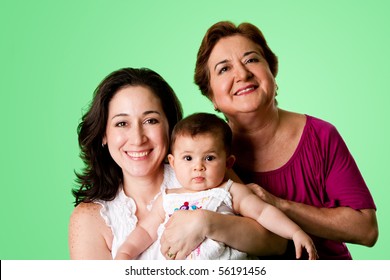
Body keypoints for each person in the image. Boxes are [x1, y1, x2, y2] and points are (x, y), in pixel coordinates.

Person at [176, 20, 377, 259]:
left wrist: (279, 204)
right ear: (212, 97)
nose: (242, 74)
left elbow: (366, 230)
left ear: (272, 72)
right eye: (224, 69)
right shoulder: (197, 157)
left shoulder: (322, 136)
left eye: (251, 59)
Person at [68, 67, 287, 260]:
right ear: (103, 134)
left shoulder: (203, 170)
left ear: (170, 128)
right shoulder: (89, 219)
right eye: (121, 123)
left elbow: (278, 243)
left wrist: (206, 223)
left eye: (150, 120)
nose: (137, 138)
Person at [115, 112, 318, 260]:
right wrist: (124, 254)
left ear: (228, 163)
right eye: (188, 158)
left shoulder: (231, 191)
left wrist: (294, 232)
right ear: (173, 162)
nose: (198, 167)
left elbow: (264, 213)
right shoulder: (167, 198)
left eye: (209, 158)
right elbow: (145, 232)